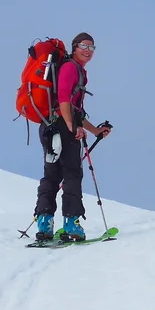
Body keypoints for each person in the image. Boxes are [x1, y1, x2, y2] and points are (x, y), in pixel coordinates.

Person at [33, 32, 112, 241]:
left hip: (50, 126)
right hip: (60, 126)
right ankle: (71, 224)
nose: (88, 51)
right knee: (72, 174)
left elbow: (76, 110)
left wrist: (95, 130)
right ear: (74, 47)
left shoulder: (74, 69)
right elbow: (64, 99)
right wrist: (71, 127)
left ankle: (44, 223)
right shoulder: (70, 68)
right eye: (84, 46)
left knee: (52, 174)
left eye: (92, 48)